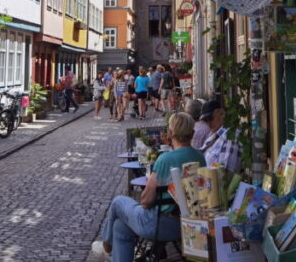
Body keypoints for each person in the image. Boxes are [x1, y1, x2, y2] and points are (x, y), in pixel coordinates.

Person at [91, 112, 205, 262]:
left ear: (170, 133)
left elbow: (146, 200)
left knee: (118, 202)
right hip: (190, 224)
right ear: (192, 133)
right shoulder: (199, 157)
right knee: (120, 227)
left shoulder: (165, 159)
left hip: (159, 224)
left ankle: (106, 245)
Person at [201, 99, 241, 172]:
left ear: (221, 114)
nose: (209, 124)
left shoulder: (231, 134)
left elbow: (226, 172)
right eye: (206, 120)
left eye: (210, 118)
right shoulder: (213, 134)